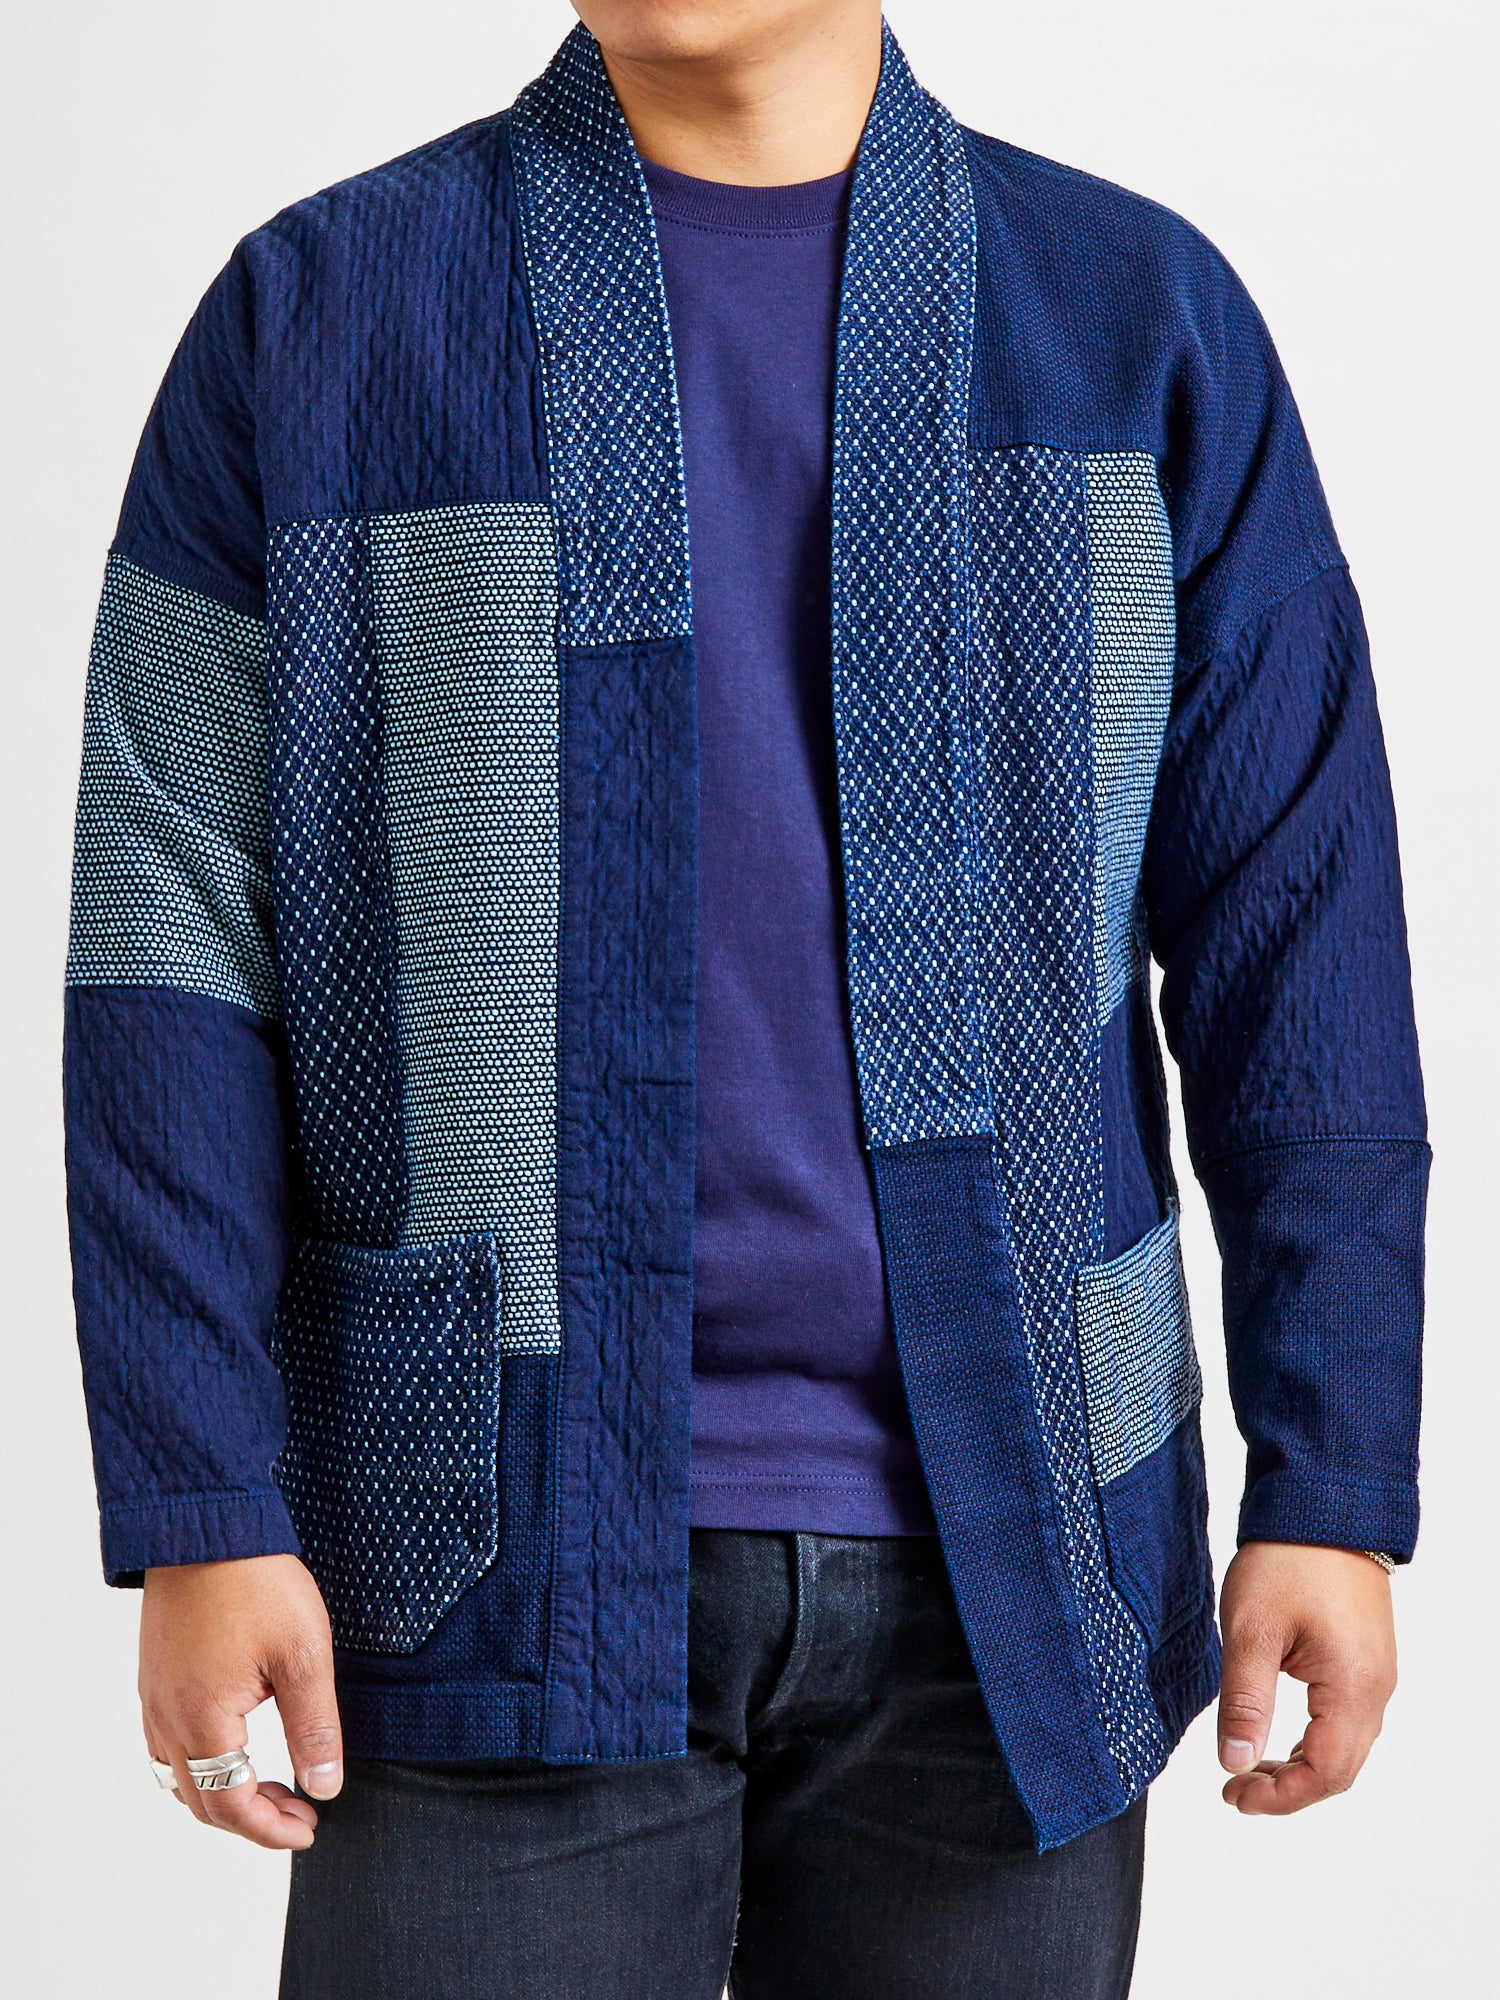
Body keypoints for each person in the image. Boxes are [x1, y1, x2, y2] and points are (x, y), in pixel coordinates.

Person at [61, 2, 1429, 1994]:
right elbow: (169, 948)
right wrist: (202, 1496)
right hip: (479, 1561)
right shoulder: (322, 313)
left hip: (1016, 1565)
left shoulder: (1135, 325)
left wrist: (1335, 1481)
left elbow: (1298, 943)